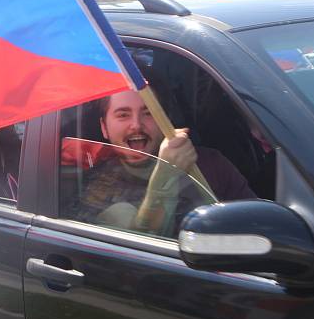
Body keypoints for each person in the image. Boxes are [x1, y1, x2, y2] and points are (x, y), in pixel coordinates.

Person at [73, 84, 255, 236]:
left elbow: (255, 226)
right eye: (123, 115)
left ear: (165, 120)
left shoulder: (211, 164)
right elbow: (138, 252)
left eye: (148, 112)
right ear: (104, 127)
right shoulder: (97, 186)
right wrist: (165, 175)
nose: (136, 124)